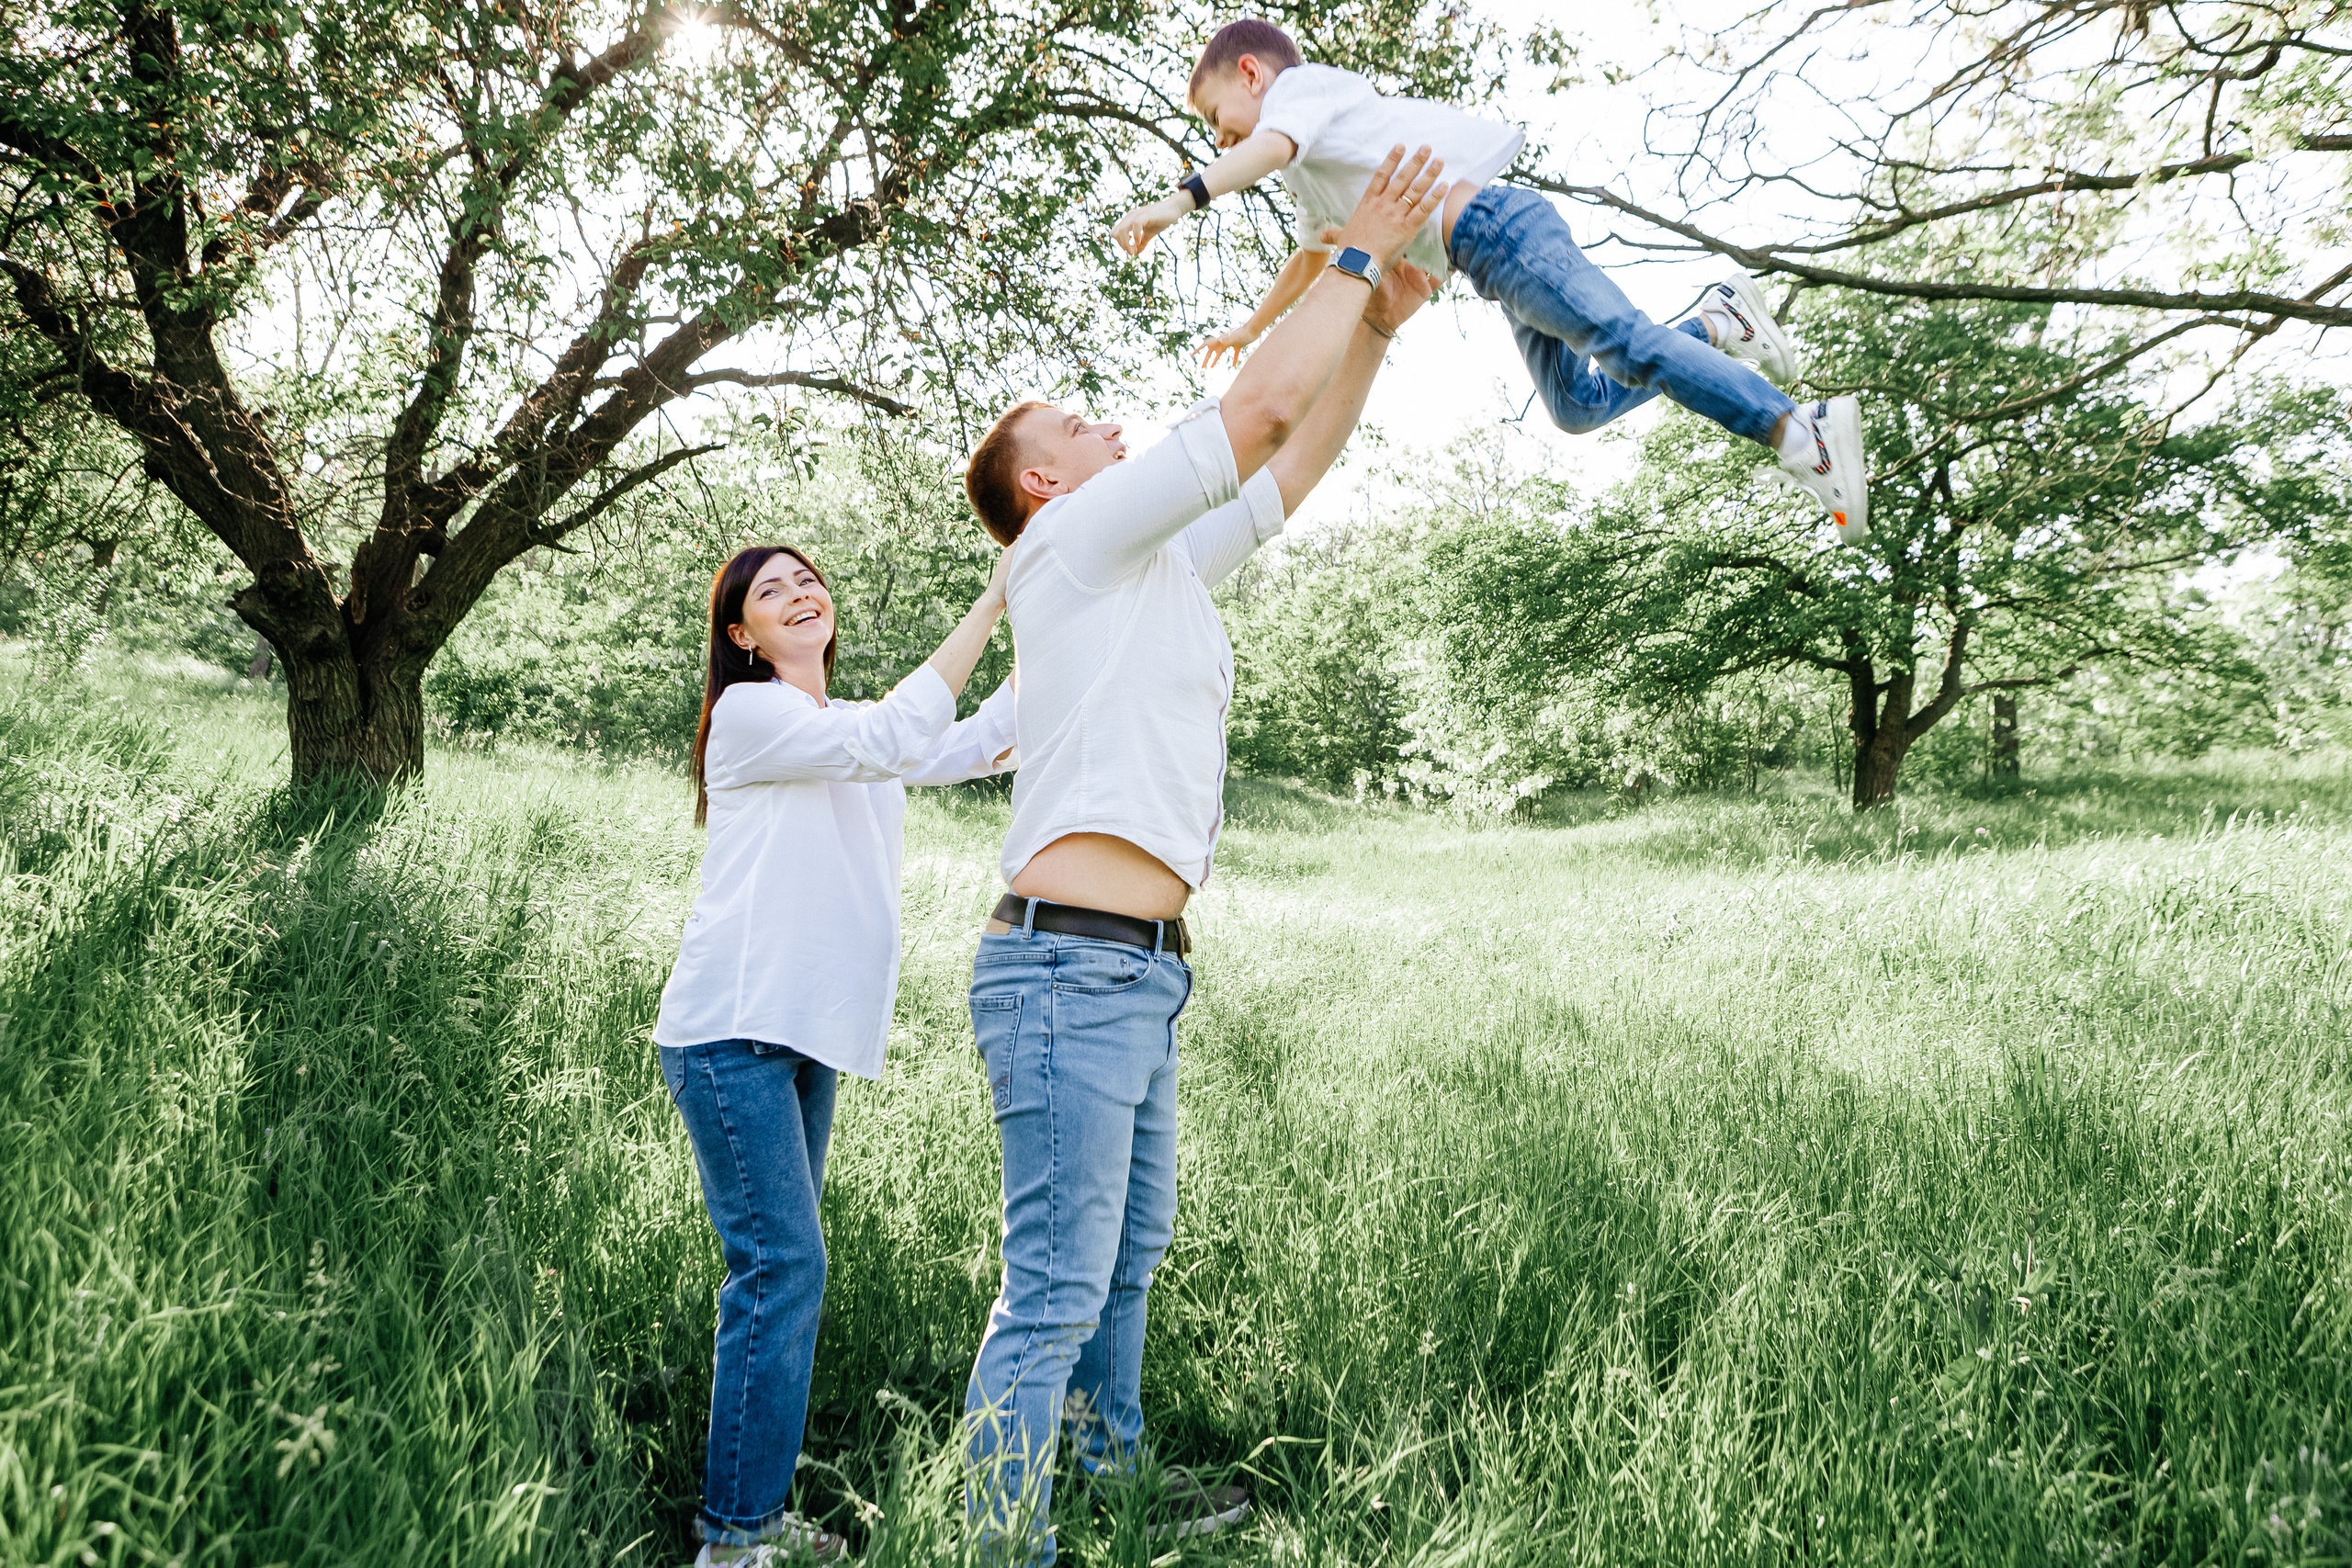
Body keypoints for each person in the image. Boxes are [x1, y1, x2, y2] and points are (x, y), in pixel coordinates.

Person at [956, 142, 1445, 1562]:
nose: (1107, 425)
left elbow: (1294, 461)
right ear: (1044, 483)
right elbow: (1257, 402)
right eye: (1077, 422)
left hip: (1140, 973)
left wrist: (1378, 329)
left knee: (1123, 1261)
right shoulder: (1074, 544)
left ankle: (1102, 1481)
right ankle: (1001, 1540)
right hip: (1065, 973)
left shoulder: (1150, 562)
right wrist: (1349, 255)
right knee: (1053, 1285)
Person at [1110, 17, 1872, 544]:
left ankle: (1796, 428)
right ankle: (1717, 321)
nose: (1219, 139)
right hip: (1491, 266)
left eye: (1217, 118)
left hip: (1500, 233)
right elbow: (1310, 256)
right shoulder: (1307, 167)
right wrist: (1251, 328)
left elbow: (1264, 148)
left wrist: (1182, 198)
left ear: (1250, 74)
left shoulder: (1296, 100)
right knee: (1576, 406)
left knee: (1623, 345)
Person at [653, 540, 1018, 1566]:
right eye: (771, 592)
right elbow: (909, 728)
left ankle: (752, 1517)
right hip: (733, 1034)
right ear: (744, 636)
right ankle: (735, 1539)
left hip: (802, 1039)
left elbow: (977, 739)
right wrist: (993, 597)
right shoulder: (753, 715)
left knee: (784, 1272)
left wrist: (1059, 607)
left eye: (807, 579)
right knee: (782, 1268)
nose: (798, 593)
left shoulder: (843, 728)